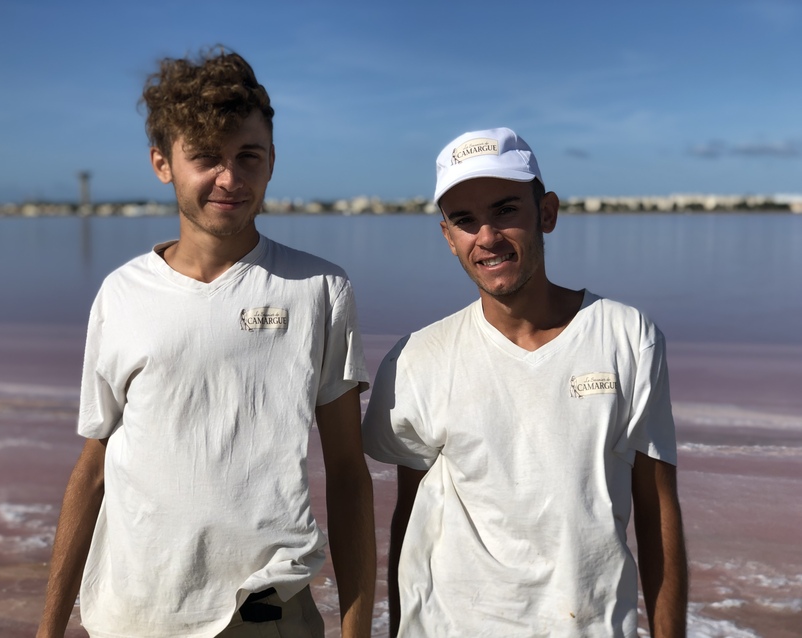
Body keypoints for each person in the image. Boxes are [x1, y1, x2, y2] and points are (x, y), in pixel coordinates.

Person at [37, 46, 376, 638]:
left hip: (267, 609)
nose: (230, 178)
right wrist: (48, 629)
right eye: (205, 158)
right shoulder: (122, 294)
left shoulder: (319, 289)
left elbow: (348, 474)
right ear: (162, 163)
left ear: (272, 161)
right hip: (136, 611)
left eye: (248, 157)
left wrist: (355, 630)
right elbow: (93, 469)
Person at [362, 128, 687, 637]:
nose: (487, 237)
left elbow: (657, 508)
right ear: (449, 238)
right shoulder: (418, 359)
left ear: (548, 213)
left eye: (506, 210)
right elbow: (410, 518)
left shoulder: (627, 336)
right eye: (466, 221)